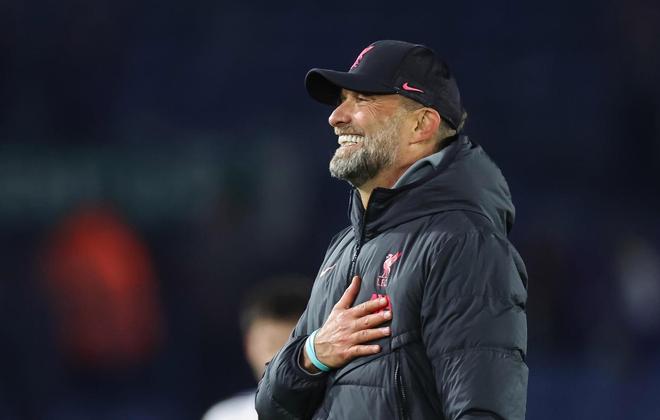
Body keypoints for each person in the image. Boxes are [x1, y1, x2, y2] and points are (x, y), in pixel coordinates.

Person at [256, 40, 528, 419]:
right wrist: (313, 353)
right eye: (342, 100)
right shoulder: (344, 248)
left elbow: (482, 410)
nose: (336, 117)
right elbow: (271, 408)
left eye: (362, 100)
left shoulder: (462, 242)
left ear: (421, 125)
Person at [203, 278, 311, 420]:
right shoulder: (223, 416)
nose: (281, 362)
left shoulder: (338, 410)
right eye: (272, 346)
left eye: (295, 349)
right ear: (250, 346)